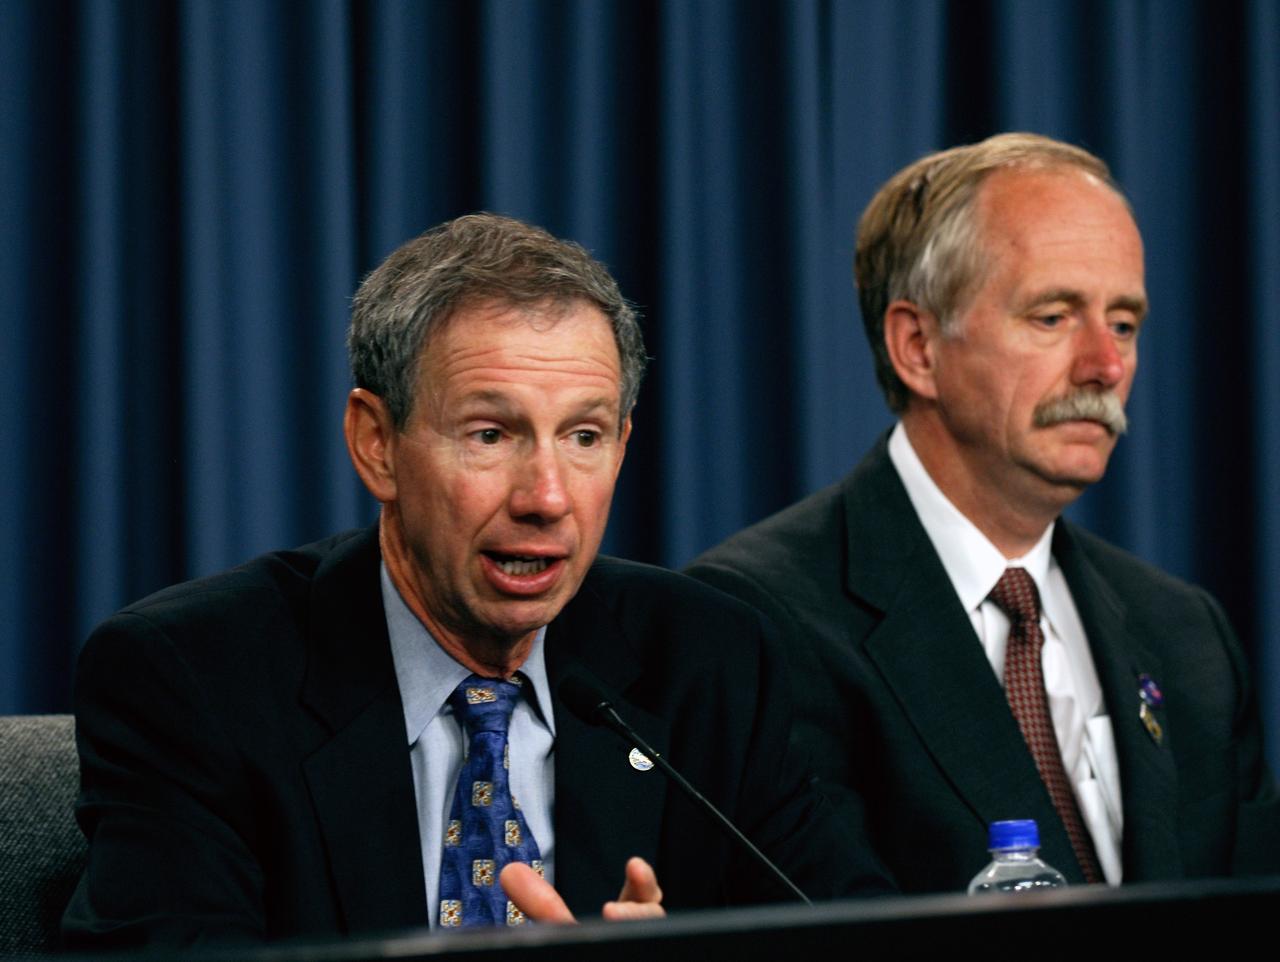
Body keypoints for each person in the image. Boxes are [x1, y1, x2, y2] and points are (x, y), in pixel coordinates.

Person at [64, 213, 888, 949]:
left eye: (585, 436)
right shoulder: (194, 677)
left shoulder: (712, 660)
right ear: (376, 443)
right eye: (491, 434)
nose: (547, 497)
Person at [688, 133, 1280, 893]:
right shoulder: (757, 622)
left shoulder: (1187, 634)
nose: (1106, 365)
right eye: (1053, 316)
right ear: (918, 347)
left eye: (1124, 323)